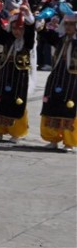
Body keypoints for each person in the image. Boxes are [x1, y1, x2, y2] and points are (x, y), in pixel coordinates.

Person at [0, 5, 36, 142]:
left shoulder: (28, 42)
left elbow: (31, 31)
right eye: (14, 28)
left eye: (20, 28)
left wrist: (29, 19)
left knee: (17, 101)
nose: (17, 31)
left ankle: (16, 132)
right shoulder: (7, 38)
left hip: (20, 76)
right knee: (1, 100)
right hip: (5, 73)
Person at [37, 10, 77, 152]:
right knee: (52, 105)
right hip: (56, 77)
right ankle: (53, 139)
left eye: (72, 24)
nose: (68, 27)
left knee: (69, 109)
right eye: (66, 24)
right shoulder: (61, 38)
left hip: (73, 80)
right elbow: (46, 35)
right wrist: (42, 25)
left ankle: (69, 142)